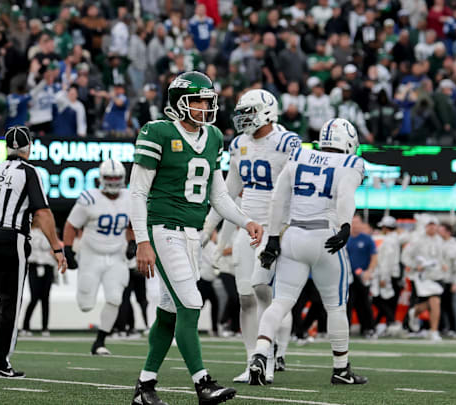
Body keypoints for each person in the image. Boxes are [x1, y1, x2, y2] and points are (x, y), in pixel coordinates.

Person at [129, 71, 263, 405]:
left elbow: (218, 195)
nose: (206, 106)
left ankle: (145, 387)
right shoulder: (157, 131)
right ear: (179, 103)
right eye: (199, 100)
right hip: (163, 230)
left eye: (209, 100)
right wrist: (141, 241)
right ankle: (202, 384)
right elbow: (137, 193)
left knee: (169, 311)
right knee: (191, 302)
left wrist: (246, 221)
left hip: (193, 233)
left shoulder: (214, 136)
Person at [251, 117, 368, 386]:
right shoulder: (351, 163)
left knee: (280, 302)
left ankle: (259, 354)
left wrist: (272, 237)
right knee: (336, 306)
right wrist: (346, 225)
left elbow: (279, 197)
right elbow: (345, 195)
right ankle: (341, 368)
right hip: (325, 236)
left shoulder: (300, 153)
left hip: (292, 235)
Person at [202, 89, 300, 384]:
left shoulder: (287, 142)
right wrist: (209, 231)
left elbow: (299, 189)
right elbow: (227, 194)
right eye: (242, 112)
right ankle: (251, 360)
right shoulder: (238, 144)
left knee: (264, 293)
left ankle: (269, 355)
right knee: (246, 297)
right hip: (248, 227)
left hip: (278, 230)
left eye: (249, 112)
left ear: (267, 111)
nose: (243, 118)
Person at [0, 126, 67, 378]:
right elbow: (42, 212)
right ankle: (1, 362)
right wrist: (57, 246)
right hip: (12, 238)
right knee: (12, 301)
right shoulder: (29, 172)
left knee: (2, 296)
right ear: (28, 147)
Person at [62, 159, 133, 355]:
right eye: (109, 177)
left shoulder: (129, 198)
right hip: (91, 254)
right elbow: (71, 225)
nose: (112, 181)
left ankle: (100, 341)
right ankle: (96, 328)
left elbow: (132, 224)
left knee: (115, 298)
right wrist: (68, 249)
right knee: (86, 305)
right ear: (101, 178)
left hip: (117, 255)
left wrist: (133, 242)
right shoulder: (88, 198)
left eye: (116, 177)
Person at [402, 216, 445, 341]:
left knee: (435, 301)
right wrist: (416, 266)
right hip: (422, 277)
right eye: (429, 225)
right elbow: (405, 256)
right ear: (426, 226)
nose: (432, 227)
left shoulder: (440, 241)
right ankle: (432, 330)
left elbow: (441, 257)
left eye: (434, 225)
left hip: (437, 276)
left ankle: (418, 315)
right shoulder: (418, 240)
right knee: (435, 301)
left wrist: (444, 264)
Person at [21, 223, 56, 337]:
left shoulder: (50, 231)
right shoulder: (28, 232)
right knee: (34, 297)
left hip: (48, 265)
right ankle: (26, 326)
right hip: (34, 265)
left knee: (45, 297)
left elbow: (53, 246)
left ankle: (45, 327)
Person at [346, 214, 377, 337]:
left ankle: (368, 328)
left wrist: (369, 271)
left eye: (357, 223)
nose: (355, 225)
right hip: (347, 276)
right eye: (353, 223)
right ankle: (345, 329)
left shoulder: (367, 239)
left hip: (362, 276)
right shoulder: (345, 238)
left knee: (364, 303)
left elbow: (374, 257)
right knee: (348, 303)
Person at [371, 216, 400, 335]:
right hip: (393, 273)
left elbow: (386, 261)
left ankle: (391, 323)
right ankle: (381, 324)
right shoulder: (394, 239)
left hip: (389, 274)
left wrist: (384, 277)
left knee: (380, 299)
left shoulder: (389, 240)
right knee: (387, 301)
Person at [438, 222, 456, 335]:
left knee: (449, 306)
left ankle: (454, 329)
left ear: (448, 232)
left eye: (442, 230)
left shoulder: (455, 246)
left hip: (448, 280)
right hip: (437, 279)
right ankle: (441, 328)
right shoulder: (436, 243)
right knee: (438, 306)